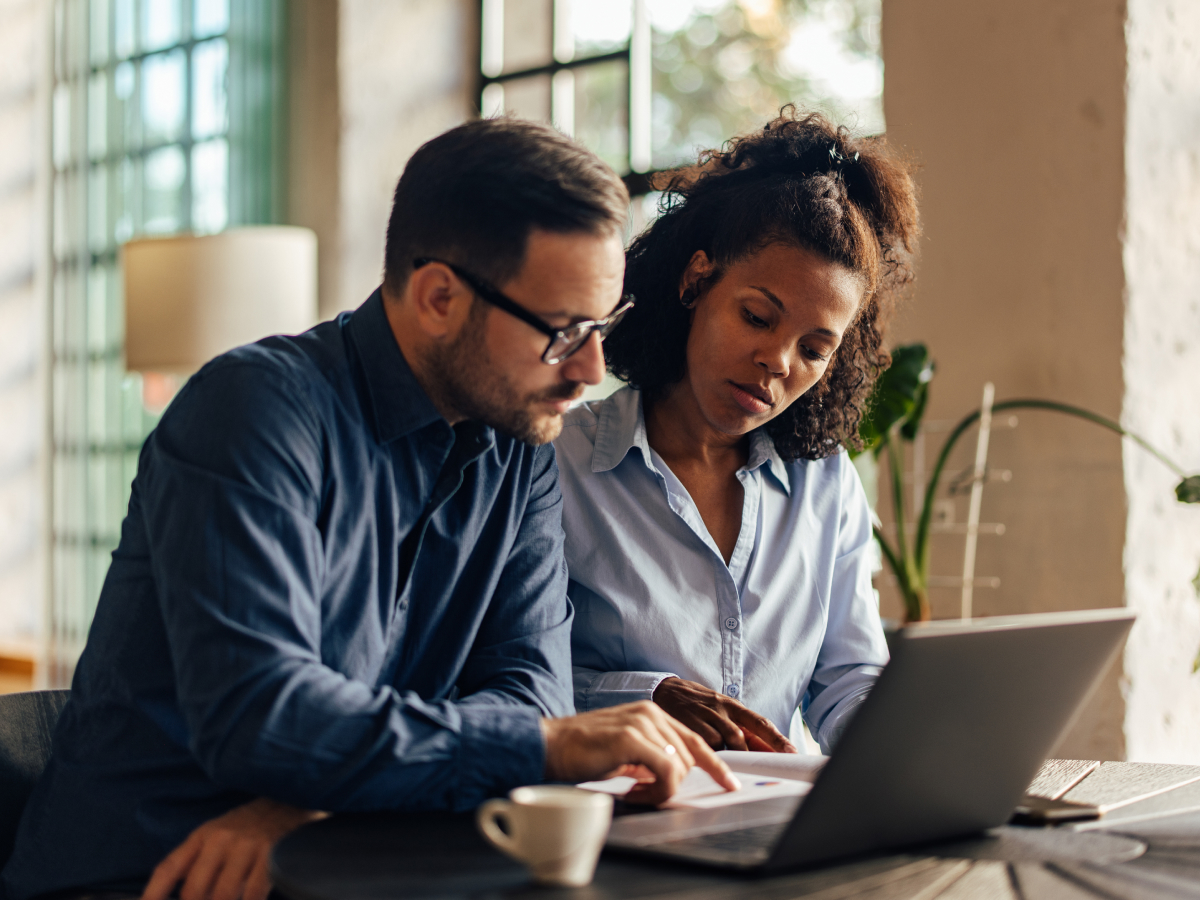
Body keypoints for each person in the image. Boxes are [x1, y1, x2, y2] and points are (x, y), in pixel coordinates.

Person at [2, 118, 736, 900]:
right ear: (439, 297)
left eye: (602, 326)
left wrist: (317, 790)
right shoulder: (251, 412)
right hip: (150, 874)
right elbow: (266, 714)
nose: (590, 370)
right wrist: (530, 748)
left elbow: (530, 688)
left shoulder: (520, 446)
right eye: (562, 333)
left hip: (351, 851)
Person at [558, 109, 921, 754]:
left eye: (814, 349)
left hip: (773, 822)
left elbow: (850, 675)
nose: (778, 362)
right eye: (758, 317)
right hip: (619, 819)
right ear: (697, 279)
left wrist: (901, 743)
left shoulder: (823, 480)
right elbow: (513, 677)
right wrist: (647, 694)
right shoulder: (561, 466)